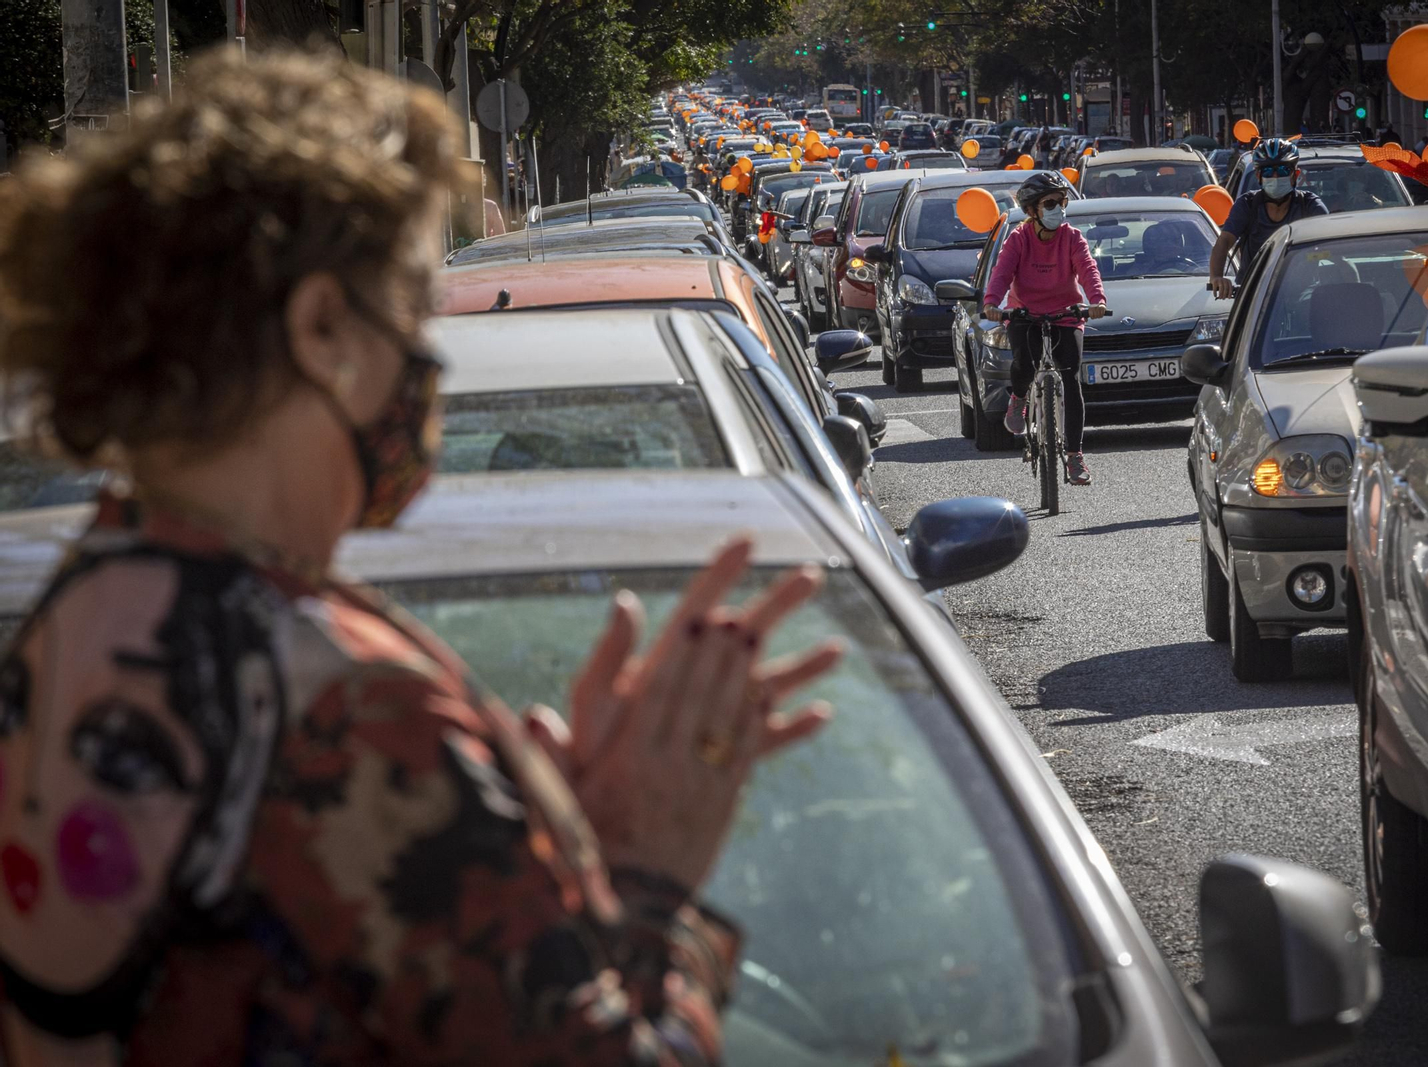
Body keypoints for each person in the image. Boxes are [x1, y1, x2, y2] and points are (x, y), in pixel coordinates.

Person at [0, 47, 841, 1065]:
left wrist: (533, 841)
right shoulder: (348, 702)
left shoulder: (88, 602)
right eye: (409, 303)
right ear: (320, 327)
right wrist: (651, 874)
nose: (427, 356)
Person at [980, 170, 1108, 486]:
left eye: (1062, 203)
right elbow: (1001, 273)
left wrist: (1097, 300)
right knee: (1024, 361)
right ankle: (1020, 398)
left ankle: (1075, 457)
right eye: (1050, 203)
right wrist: (992, 303)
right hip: (1026, 313)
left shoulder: (1073, 238)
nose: (1058, 209)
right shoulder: (1018, 239)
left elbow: (1088, 270)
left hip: (1066, 313)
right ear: (1033, 210)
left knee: (1071, 376)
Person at [1209, 138, 1328, 297]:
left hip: (1302, 294)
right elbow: (1223, 242)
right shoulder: (1247, 205)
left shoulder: (1310, 206)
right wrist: (1217, 277)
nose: (1275, 176)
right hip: (1253, 295)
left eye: (1283, 170)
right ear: (1258, 176)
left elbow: (1329, 248)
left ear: (1296, 174)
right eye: (1267, 172)